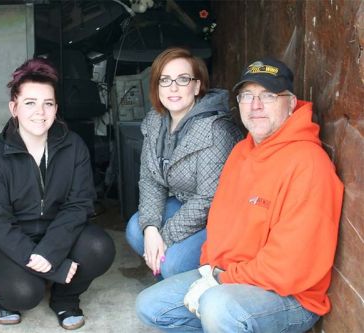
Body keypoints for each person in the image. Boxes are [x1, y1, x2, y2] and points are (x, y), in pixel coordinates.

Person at [135, 57, 344, 332]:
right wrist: (210, 269)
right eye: (247, 96)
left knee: (218, 308)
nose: (255, 106)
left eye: (268, 96)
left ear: (291, 103)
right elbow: (219, 224)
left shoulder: (309, 164)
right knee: (150, 305)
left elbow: (288, 268)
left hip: (289, 295)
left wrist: (220, 280)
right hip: (230, 276)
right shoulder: (242, 151)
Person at [0, 58, 115, 330]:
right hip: (5, 241)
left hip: (57, 230)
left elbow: (79, 205)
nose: (40, 112)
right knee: (25, 292)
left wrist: (51, 251)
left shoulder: (73, 147)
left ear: (56, 108)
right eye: (30, 103)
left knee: (99, 247)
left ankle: (65, 298)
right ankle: (4, 297)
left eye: (47, 103)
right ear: (13, 108)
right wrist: (54, 267)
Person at [125, 47, 243, 279]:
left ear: (197, 86)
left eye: (183, 79)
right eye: (165, 80)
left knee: (172, 263)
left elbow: (209, 198)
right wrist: (151, 230)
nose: (173, 88)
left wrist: (164, 237)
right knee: (136, 230)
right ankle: (166, 277)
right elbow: (150, 179)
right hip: (185, 205)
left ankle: (180, 287)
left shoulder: (215, 129)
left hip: (220, 217)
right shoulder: (156, 121)